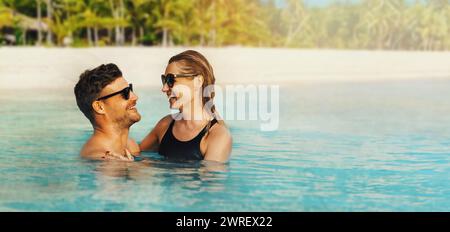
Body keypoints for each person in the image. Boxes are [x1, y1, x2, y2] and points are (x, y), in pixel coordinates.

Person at [139, 50, 232, 163]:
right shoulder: (165, 125)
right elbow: (137, 155)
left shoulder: (217, 136)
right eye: (164, 80)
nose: (164, 88)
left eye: (171, 80)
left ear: (198, 81)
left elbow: (210, 179)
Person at [74, 63, 141, 161]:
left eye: (130, 89)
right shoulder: (102, 158)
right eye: (125, 93)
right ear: (99, 107)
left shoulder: (131, 145)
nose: (135, 97)